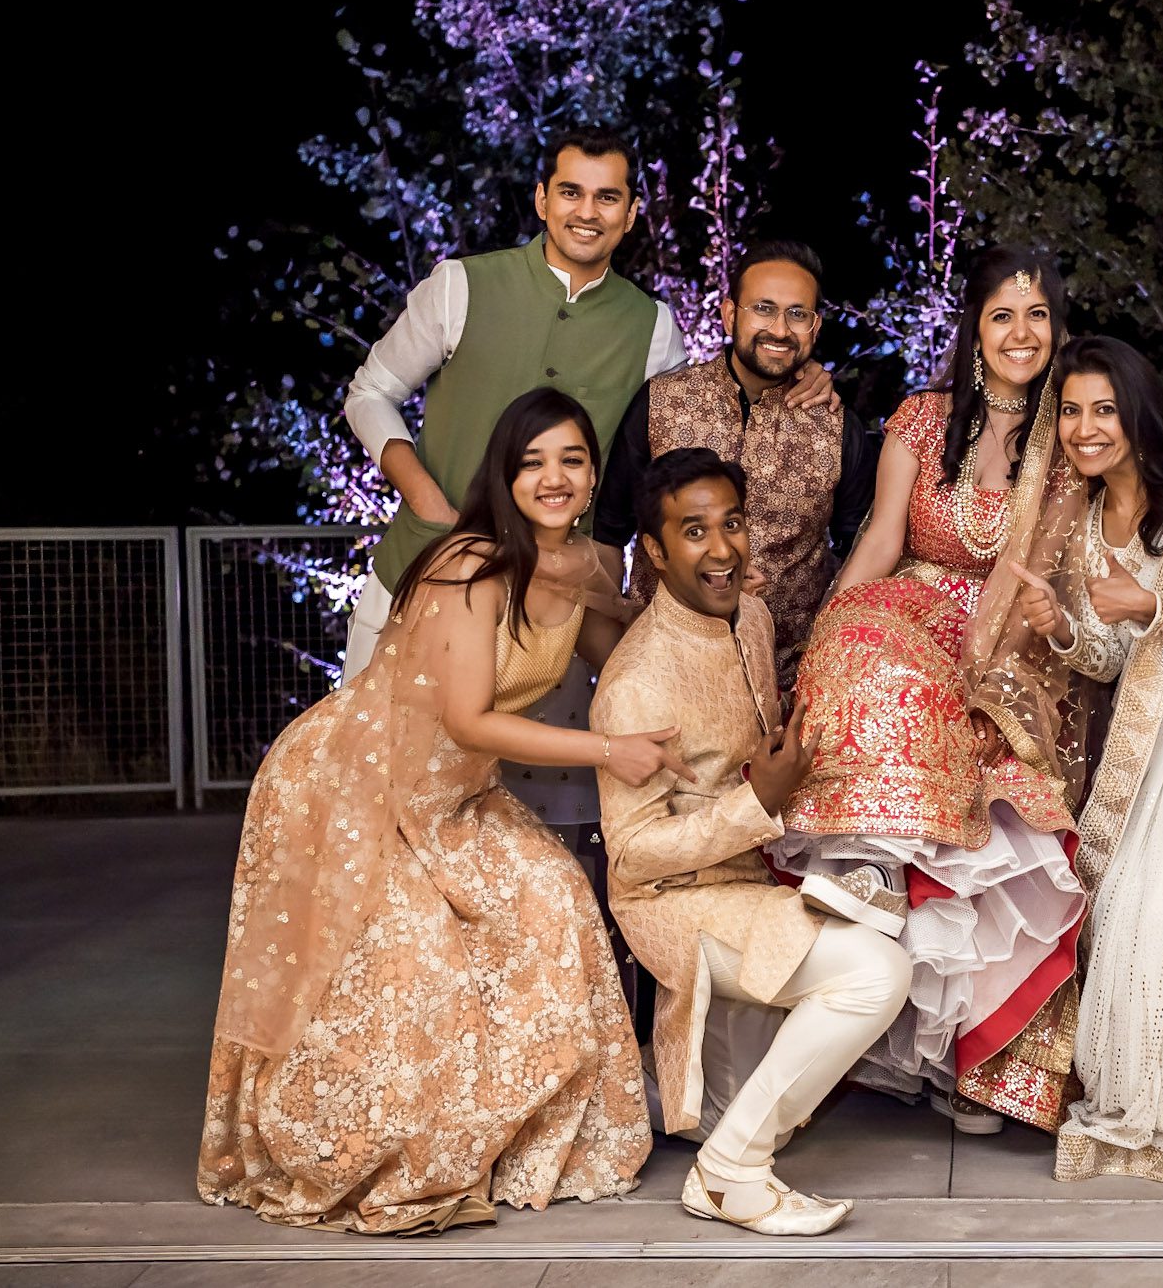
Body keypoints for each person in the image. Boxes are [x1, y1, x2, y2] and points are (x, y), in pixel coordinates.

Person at [199, 388, 685, 1234]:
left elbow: (629, 651)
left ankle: (514, 1137)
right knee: (410, 963)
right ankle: (373, 1144)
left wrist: (714, 627)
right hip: (353, 787)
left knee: (557, 899)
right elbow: (467, 717)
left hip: (451, 794)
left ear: (595, 472)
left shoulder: (581, 568)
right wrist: (614, 753)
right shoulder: (471, 564)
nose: (554, 477)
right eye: (532, 462)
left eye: (572, 459)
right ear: (504, 475)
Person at [340, 128, 833, 842]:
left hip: (551, 603)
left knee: (519, 831)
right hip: (418, 573)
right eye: (571, 191)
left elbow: (669, 452)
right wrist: (424, 496)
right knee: (373, 803)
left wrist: (805, 378)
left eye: (609, 197)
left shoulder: (651, 326)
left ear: (631, 213)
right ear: (543, 199)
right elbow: (371, 390)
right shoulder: (461, 285)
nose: (587, 211)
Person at [771, 246, 1091, 1134]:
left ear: (1056, 329)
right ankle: (871, 872)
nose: (1020, 334)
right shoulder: (921, 417)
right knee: (859, 638)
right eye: (1002, 316)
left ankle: (977, 1059)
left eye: (1037, 316)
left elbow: (1051, 567)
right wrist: (824, 631)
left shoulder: (1068, 436)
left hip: (1011, 635)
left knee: (960, 726)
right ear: (975, 329)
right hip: (910, 603)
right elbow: (877, 538)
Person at [593, 448, 912, 1235]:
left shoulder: (756, 616)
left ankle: (735, 1128)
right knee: (877, 971)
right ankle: (732, 1170)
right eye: (693, 532)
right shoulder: (636, 680)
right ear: (656, 552)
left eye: (731, 522)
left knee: (909, 906)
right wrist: (754, 803)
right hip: (673, 903)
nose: (722, 547)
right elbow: (631, 857)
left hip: (756, 873)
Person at [1005, 337, 1163, 1192]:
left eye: (1102, 408)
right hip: (1140, 740)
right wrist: (1064, 628)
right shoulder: (1087, 521)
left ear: (1138, 408)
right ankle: (1135, 1095)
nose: (1084, 427)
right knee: (1121, 908)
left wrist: (1150, 601)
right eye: (1071, 410)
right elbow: (1114, 656)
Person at [596, 240, 877, 692]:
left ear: (816, 327)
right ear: (730, 315)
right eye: (763, 309)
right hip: (662, 672)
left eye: (797, 314)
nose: (780, 329)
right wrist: (613, 648)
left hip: (786, 683)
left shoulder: (840, 428)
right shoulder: (663, 402)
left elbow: (860, 551)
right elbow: (608, 531)